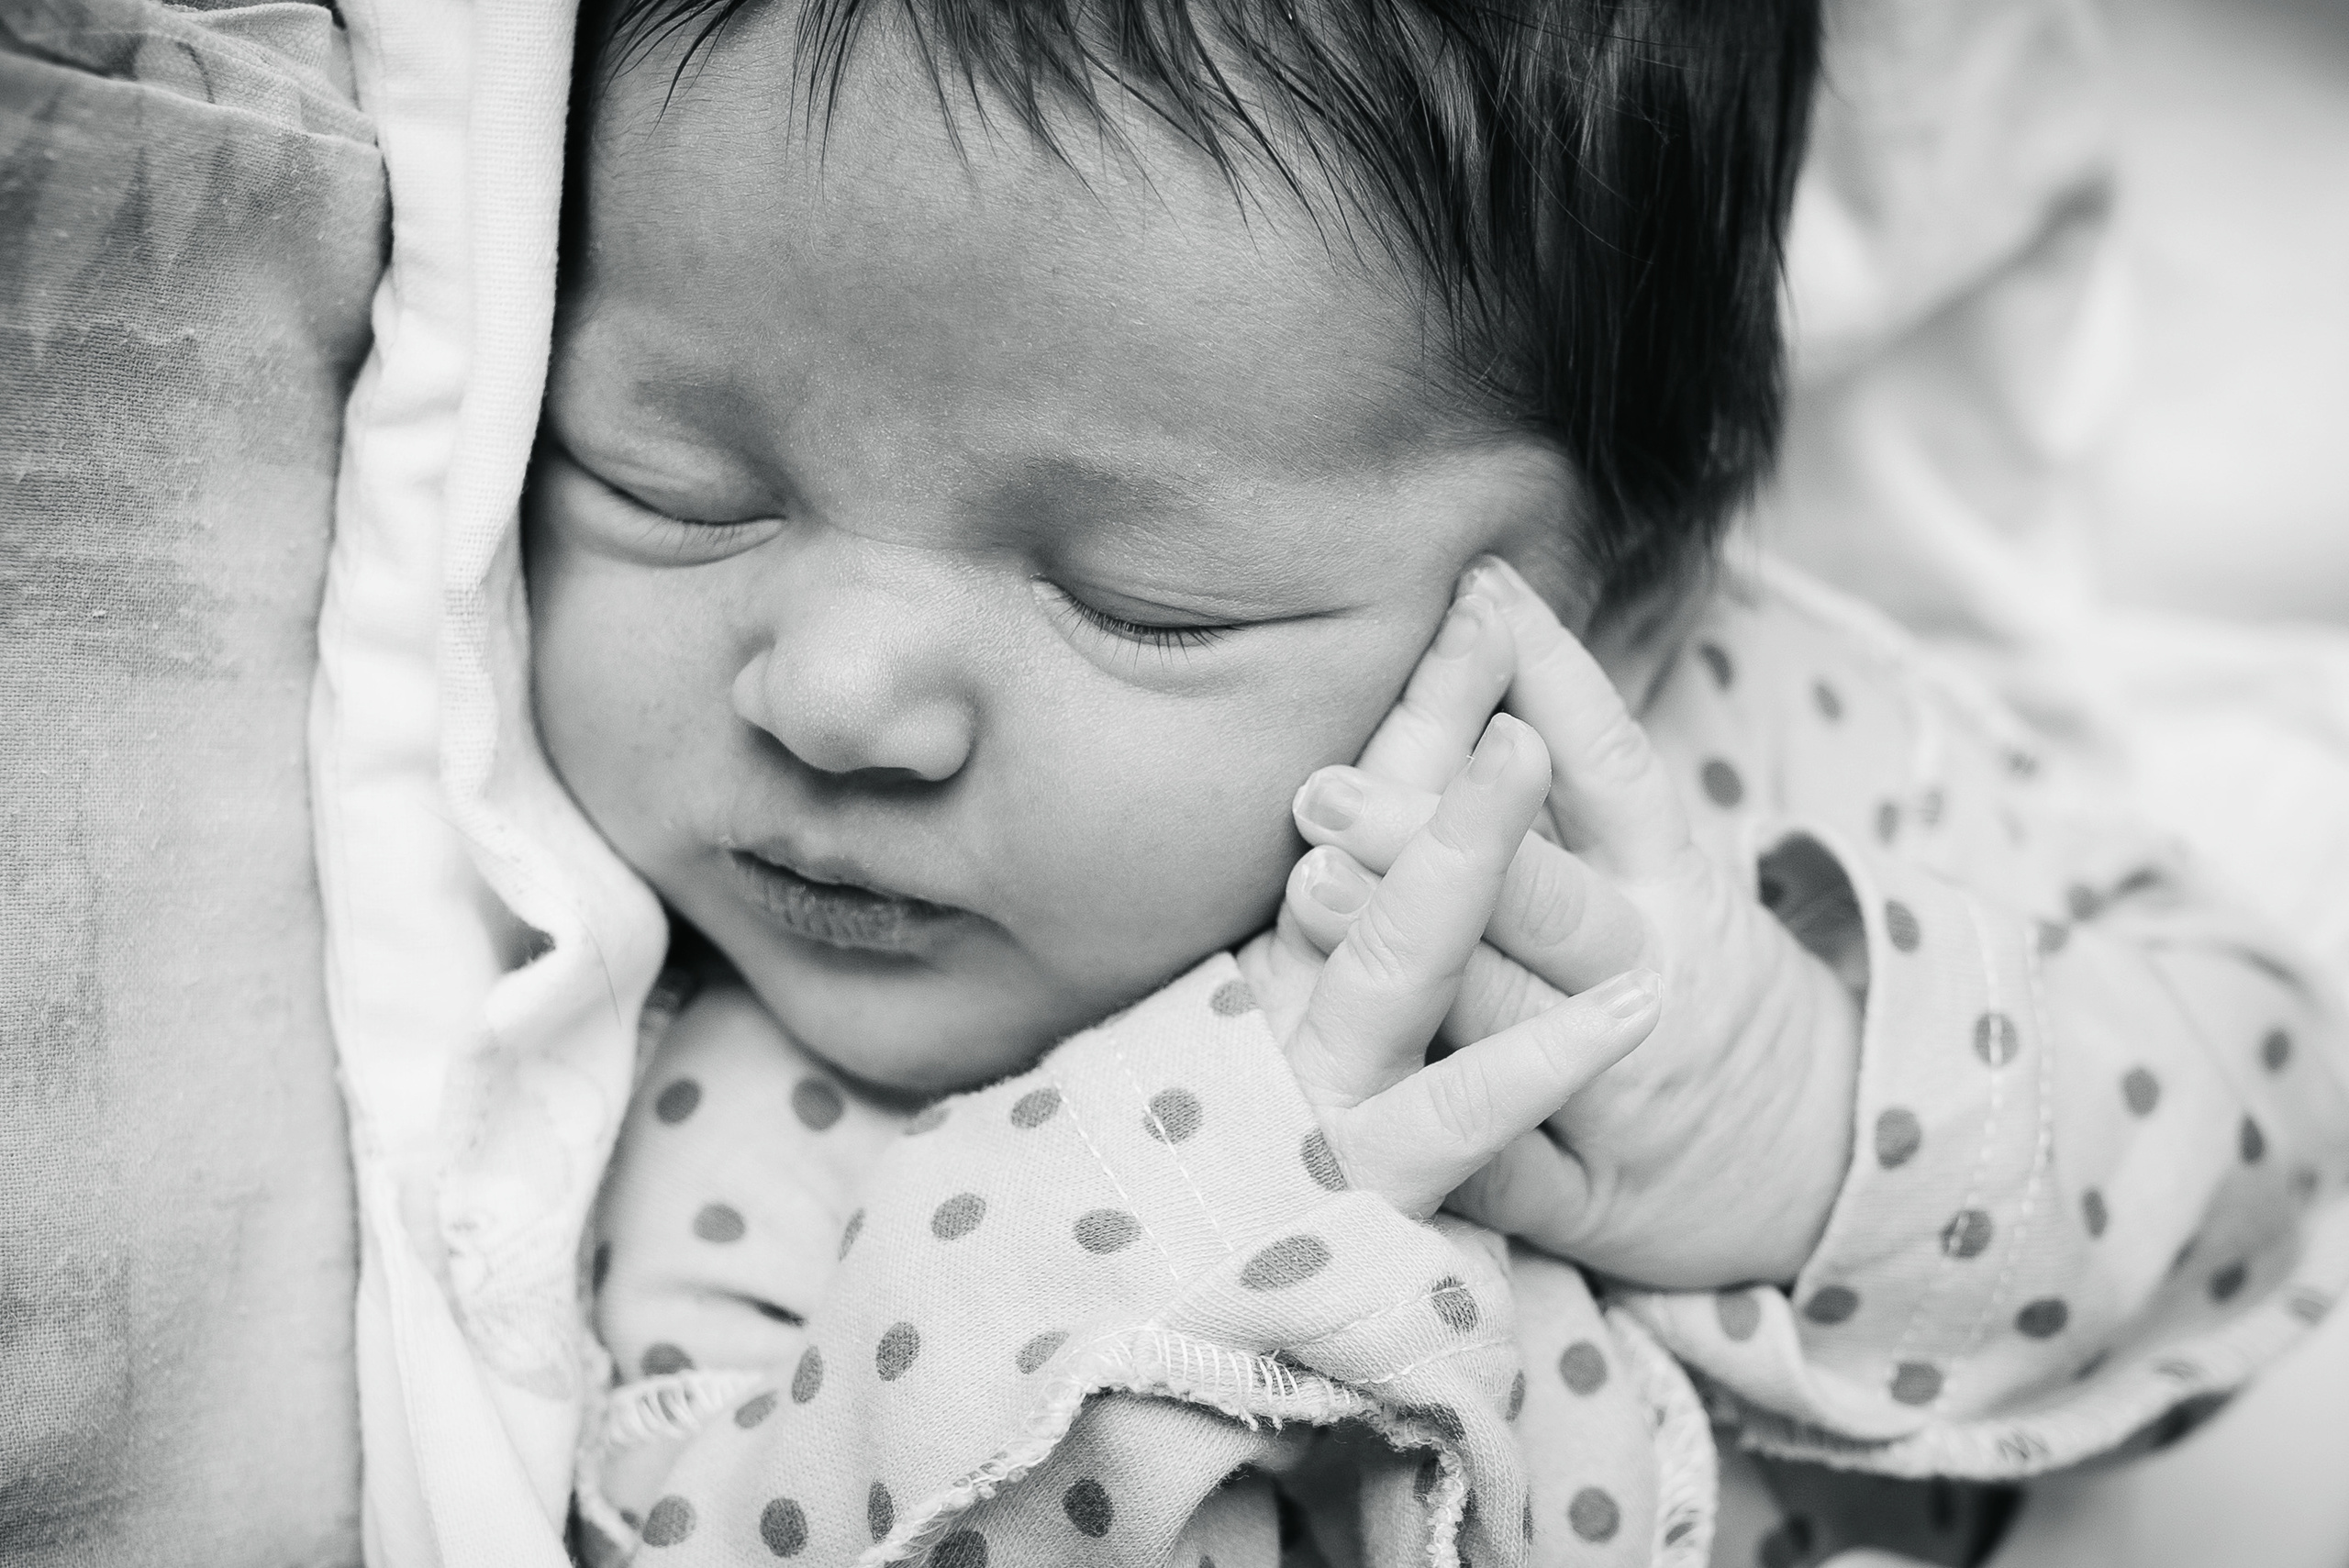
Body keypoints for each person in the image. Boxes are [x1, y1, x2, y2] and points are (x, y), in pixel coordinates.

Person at [519, 0, 2349, 1562]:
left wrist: (1800, 1121)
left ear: (1615, 602)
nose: (831, 697)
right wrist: (1144, 1242)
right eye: (667, 483)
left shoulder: (1715, 775)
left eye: (1144, 601)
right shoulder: (673, 1105)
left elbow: (2266, 1115)